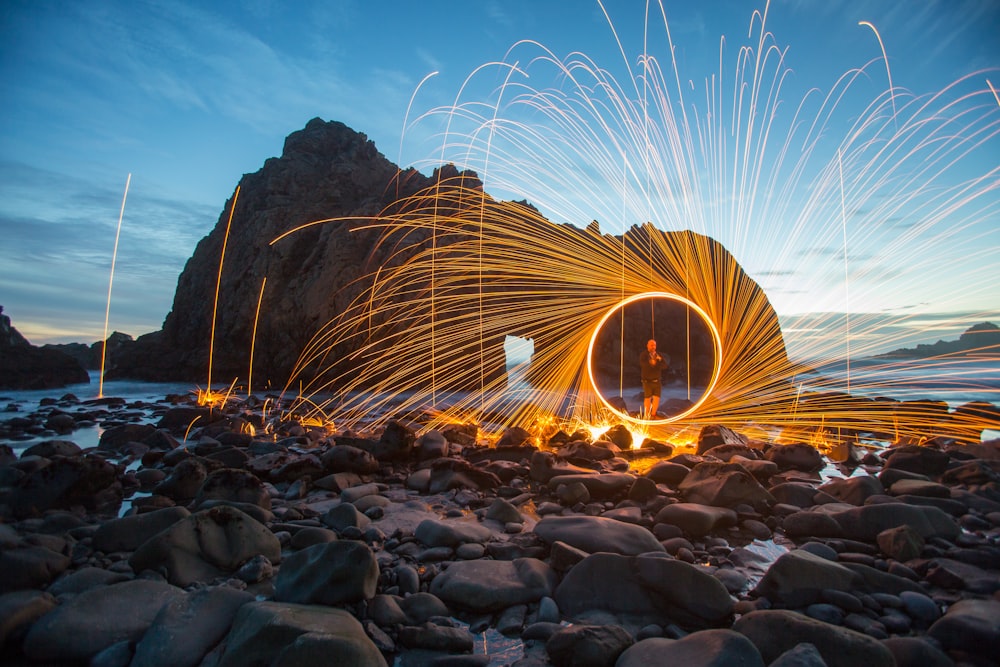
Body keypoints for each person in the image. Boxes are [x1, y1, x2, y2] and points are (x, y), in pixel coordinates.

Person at [639, 339, 669, 419]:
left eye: (654, 345)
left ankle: (653, 414)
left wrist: (659, 360)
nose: (653, 347)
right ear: (647, 345)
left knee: (657, 398)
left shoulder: (658, 355)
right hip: (647, 381)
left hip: (657, 381)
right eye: (651, 345)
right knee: (648, 398)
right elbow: (642, 364)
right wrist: (651, 363)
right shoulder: (644, 355)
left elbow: (665, 366)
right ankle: (647, 415)